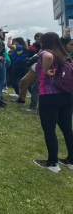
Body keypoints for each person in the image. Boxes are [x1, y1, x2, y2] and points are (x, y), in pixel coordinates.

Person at [33, 32, 73, 173]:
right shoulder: (64, 54)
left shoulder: (47, 52)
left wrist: (44, 69)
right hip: (67, 95)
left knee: (49, 129)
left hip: (49, 95)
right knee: (67, 128)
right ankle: (71, 160)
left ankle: (53, 163)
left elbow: (47, 56)